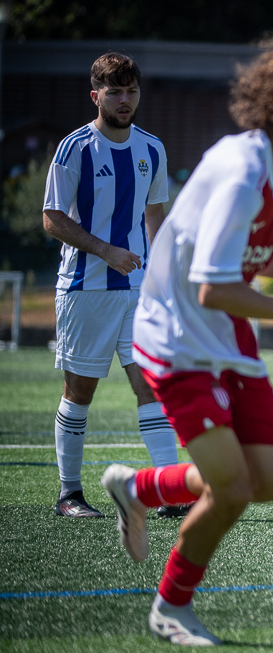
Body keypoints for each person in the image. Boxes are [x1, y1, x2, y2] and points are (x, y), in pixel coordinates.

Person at [98, 36, 273, 646]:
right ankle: (171, 607)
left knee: (272, 479)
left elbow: (246, 254)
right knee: (232, 488)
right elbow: (214, 287)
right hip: (176, 337)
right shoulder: (243, 173)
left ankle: (138, 488)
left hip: (222, 331)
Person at [41, 52, 185, 519]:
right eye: (115, 91)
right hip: (85, 289)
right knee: (80, 391)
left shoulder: (152, 148)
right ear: (96, 96)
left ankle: (169, 490)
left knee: (151, 383)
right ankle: (69, 494)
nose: (125, 100)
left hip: (139, 291)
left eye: (132, 91)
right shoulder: (75, 148)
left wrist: (164, 276)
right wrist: (105, 251)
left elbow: (155, 215)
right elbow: (52, 218)